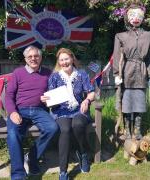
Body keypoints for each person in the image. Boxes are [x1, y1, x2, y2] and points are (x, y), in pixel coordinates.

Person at [5, 45, 58, 180]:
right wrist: (12, 112)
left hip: (39, 110)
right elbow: (9, 95)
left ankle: (32, 157)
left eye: (36, 56)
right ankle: (18, 174)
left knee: (53, 128)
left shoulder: (48, 73)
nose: (33, 58)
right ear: (25, 59)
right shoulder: (18, 73)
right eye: (30, 56)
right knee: (13, 134)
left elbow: (53, 94)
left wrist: (49, 100)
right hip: (20, 110)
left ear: (40, 57)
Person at [46, 48, 95, 180]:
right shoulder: (54, 77)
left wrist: (87, 100)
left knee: (78, 124)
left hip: (79, 109)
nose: (64, 62)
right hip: (61, 111)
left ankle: (83, 153)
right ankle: (63, 171)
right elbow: (51, 97)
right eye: (61, 60)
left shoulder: (81, 74)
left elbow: (91, 91)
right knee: (66, 130)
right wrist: (47, 99)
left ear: (72, 59)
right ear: (59, 62)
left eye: (66, 59)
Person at [113, 2, 150, 140]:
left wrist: (149, 70)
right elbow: (117, 55)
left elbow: (148, 56)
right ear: (127, 18)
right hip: (127, 72)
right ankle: (127, 131)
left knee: (139, 102)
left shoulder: (149, 35)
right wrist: (117, 74)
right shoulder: (121, 36)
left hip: (141, 72)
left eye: (138, 15)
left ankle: (137, 131)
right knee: (127, 102)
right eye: (132, 15)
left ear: (142, 18)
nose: (135, 18)